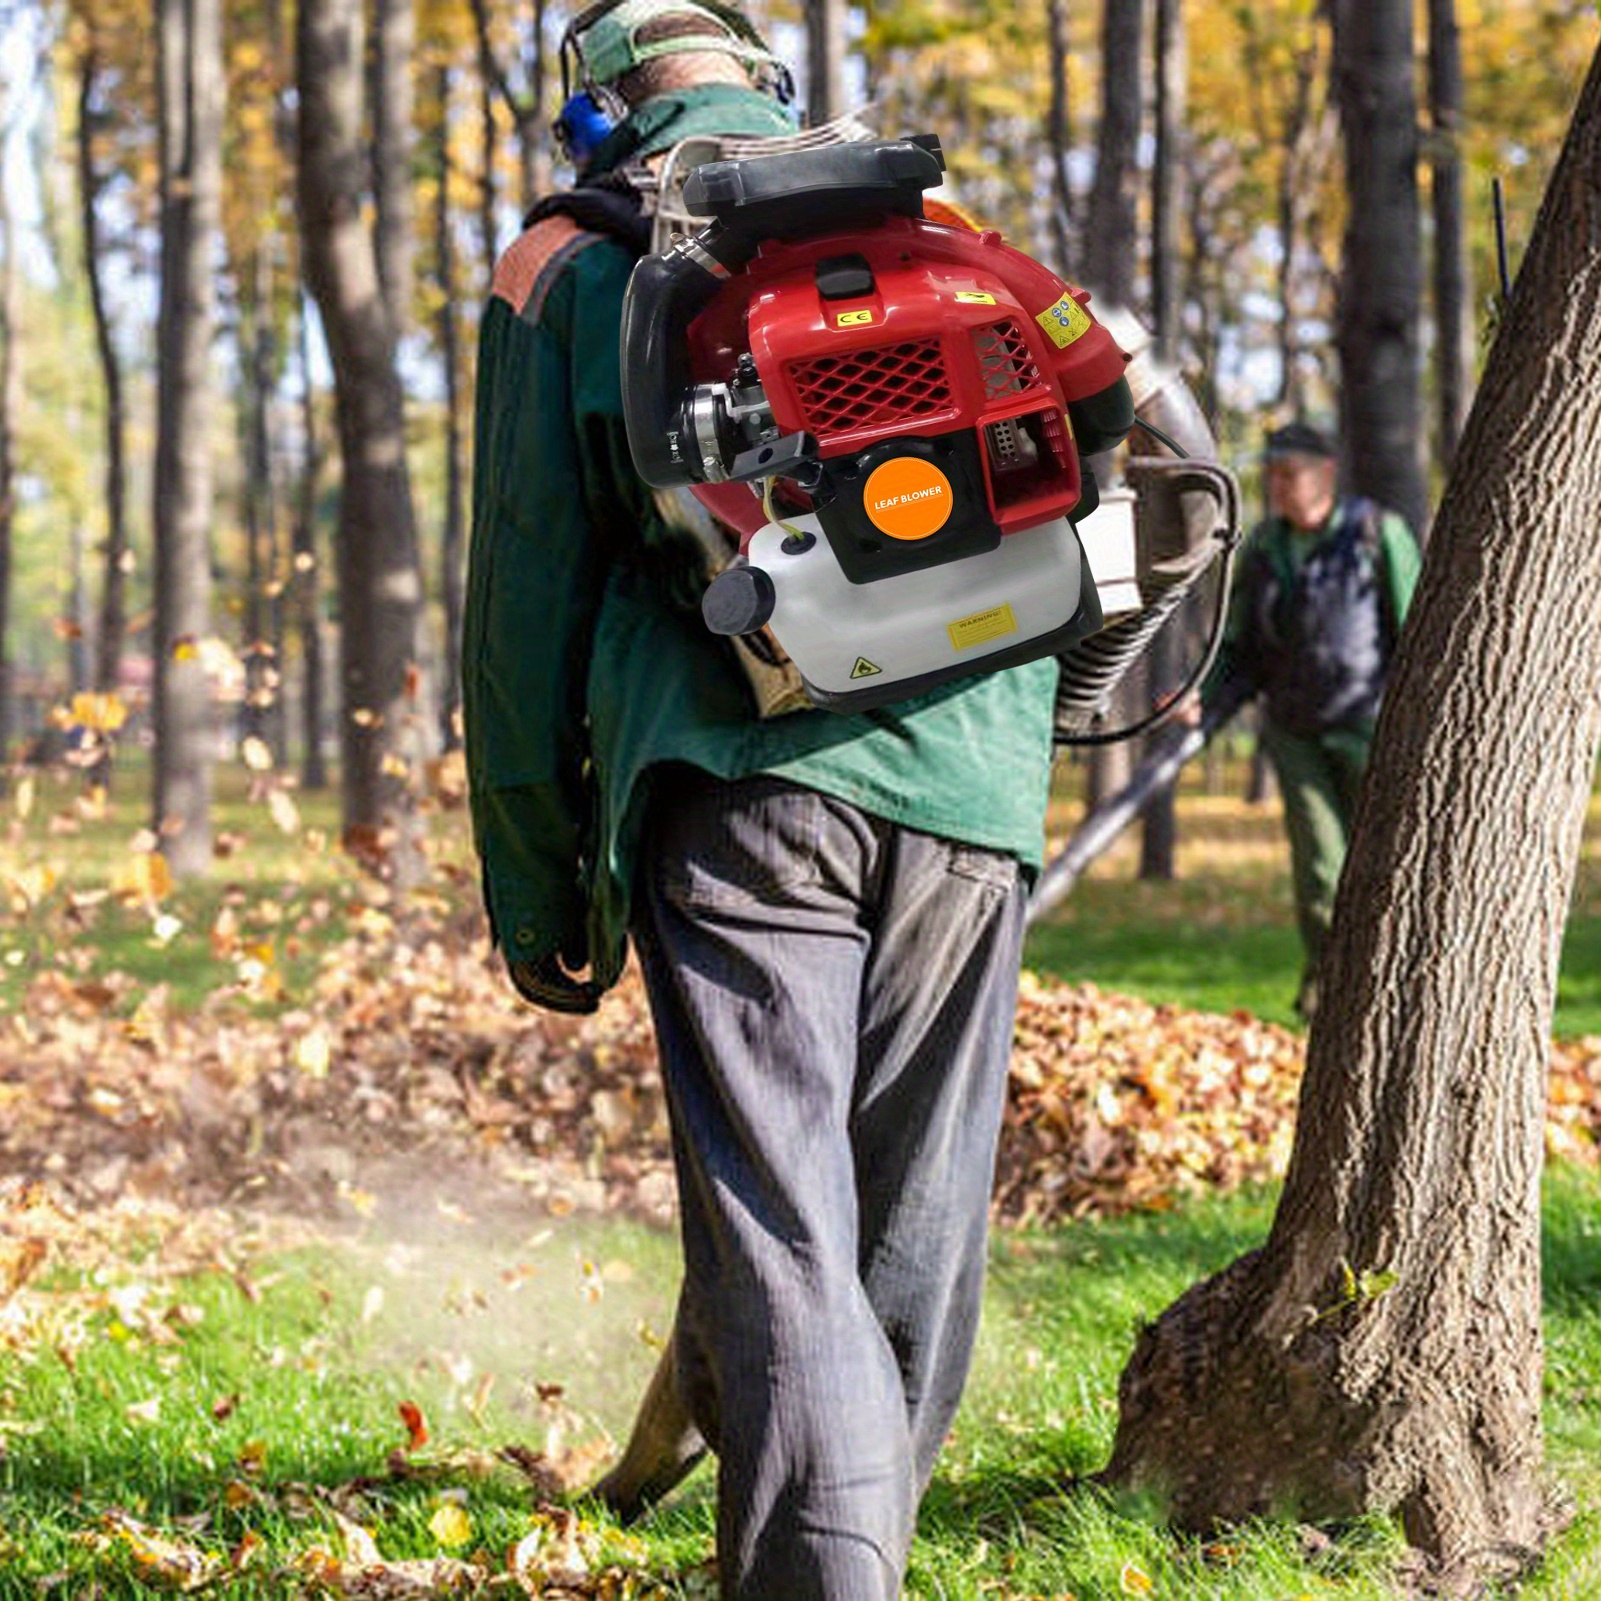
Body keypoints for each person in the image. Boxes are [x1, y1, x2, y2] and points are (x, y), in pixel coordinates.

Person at [461, 3, 1129, 1594]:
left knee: (783, 1231)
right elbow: (1115, 451)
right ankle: (854, 1556)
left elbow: (522, 600)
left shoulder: (565, 259)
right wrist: (1056, 708)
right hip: (969, 784)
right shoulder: (931, 221)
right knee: (911, 1225)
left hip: (739, 778)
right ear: (773, 89)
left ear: (595, 115)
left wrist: (541, 882)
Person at [1199, 421, 1421, 1018]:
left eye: (1289, 473)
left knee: (1383, 867)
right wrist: (1203, 702)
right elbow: (1239, 643)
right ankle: (1335, 994)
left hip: (1369, 728)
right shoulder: (1267, 547)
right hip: (1294, 730)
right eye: (1271, 474)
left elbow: (1415, 635)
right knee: (1321, 868)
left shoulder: (1377, 532)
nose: (1278, 485)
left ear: (1325, 474)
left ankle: (1389, 989)